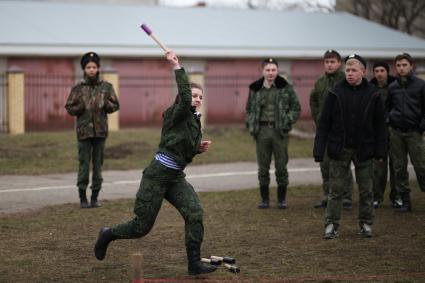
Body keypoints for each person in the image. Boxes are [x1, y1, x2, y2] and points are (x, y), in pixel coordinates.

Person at [94, 50, 217, 276]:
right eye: (194, 95)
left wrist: (197, 149)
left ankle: (194, 264)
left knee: (195, 213)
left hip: (175, 177)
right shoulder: (176, 113)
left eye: (200, 97)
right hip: (157, 175)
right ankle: (107, 234)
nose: (197, 99)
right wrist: (176, 66)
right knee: (141, 227)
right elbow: (183, 94)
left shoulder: (193, 121)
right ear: (184, 96)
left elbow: (180, 147)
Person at [313, 54, 388, 239]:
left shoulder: (373, 94)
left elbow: (380, 126)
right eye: (347, 70)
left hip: (365, 150)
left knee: (366, 190)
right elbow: (324, 123)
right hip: (340, 149)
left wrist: (380, 152)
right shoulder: (335, 92)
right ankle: (331, 224)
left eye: (354, 70)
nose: (350, 74)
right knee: (335, 190)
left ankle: (366, 223)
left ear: (363, 71)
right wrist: (319, 149)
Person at [65, 52, 119, 208]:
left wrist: (107, 106)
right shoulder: (78, 89)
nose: (91, 69)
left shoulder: (106, 87)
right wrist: (79, 107)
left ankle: (95, 197)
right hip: (84, 133)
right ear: (84, 69)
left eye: (94, 67)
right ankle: (82, 198)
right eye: (88, 67)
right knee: (84, 165)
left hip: (100, 132)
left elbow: (115, 104)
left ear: (98, 68)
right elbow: (69, 107)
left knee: (97, 166)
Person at [246, 58, 301, 209]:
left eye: (273, 70)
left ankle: (281, 199)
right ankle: (264, 200)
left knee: (281, 166)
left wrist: (286, 121)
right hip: (262, 132)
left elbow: (296, 108)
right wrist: (251, 126)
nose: (271, 73)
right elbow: (249, 110)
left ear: (277, 71)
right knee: (263, 167)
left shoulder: (286, 87)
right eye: (268, 70)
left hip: (279, 132)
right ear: (262, 71)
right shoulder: (255, 88)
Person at [310, 50, 354, 210]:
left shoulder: (345, 80)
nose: (329, 65)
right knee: (325, 164)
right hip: (325, 131)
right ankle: (328, 194)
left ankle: (346, 197)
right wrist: (318, 119)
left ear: (339, 63)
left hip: (342, 131)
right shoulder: (320, 82)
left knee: (343, 163)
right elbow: (313, 100)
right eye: (327, 62)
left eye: (332, 62)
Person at [386, 53, 425, 213]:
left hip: (414, 132)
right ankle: (405, 201)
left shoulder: (421, 85)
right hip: (396, 133)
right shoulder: (393, 87)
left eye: (404, 65)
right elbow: (387, 107)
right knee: (399, 168)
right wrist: (389, 121)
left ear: (411, 66)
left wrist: (421, 127)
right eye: (399, 65)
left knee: (421, 166)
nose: (401, 68)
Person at [369, 61, 401, 209]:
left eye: (382, 70)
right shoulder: (370, 88)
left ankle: (397, 197)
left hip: (395, 130)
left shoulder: (396, 86)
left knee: (396, 165)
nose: (379, 74)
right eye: (376, 71)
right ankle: (377, 197)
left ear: (387, 72)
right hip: (377, 133)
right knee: (378, 167)